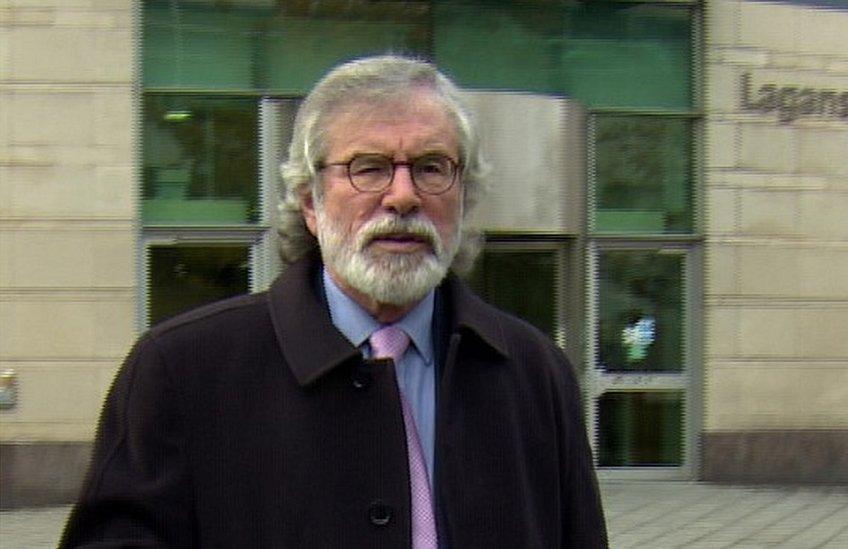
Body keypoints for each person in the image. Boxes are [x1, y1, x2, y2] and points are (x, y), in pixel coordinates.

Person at [60, 55, 607, 548]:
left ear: (464, 197)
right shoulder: (180, 372)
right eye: (368, 167)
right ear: (311, 204)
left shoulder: (536, 373)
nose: (402, 195)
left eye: (431, 167)